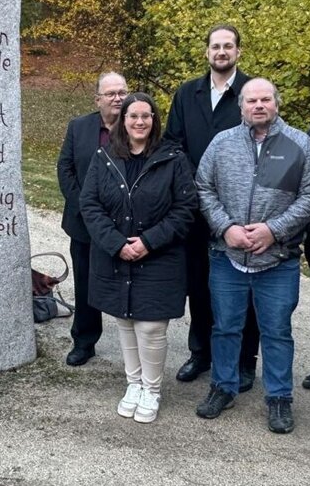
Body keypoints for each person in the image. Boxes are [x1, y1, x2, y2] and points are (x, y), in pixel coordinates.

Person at [193, 78, 310, 433]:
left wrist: (274, 230)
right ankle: (223, 386)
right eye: (252, 100)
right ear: (242, 107)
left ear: (276, 104)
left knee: (277, 331)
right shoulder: (222, 144)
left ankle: (279, 398)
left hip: (278, 260)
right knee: (225, 327)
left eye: (266, 99)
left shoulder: (299, 145)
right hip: (227, 256)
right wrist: (225, 227)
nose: (259, 105)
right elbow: (203, 187)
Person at [80, 93, 197, 423]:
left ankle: (152, 389)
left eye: (146, 116)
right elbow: (90, 205)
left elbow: (185, 209)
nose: (140, 122)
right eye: (133, 116)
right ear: (124, 120)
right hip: (117, 255)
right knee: (125, 321)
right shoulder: (105, 157)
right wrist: (118, 244)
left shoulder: (173, 158)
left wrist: (148, 241)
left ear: (154, 120)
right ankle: (133, 384)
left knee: (151, 327)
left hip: (159, 256)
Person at [164, 24, 261, 390]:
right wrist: (196, 183)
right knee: (199, 285)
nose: (221, 52)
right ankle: (200, 352)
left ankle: (244, 361)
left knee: (243, 285)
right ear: (207, 52)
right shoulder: (188, 93)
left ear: (238, 51)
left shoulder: (251, 93)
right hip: (193, 206)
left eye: (228, 46)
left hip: (238, 207)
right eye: (215, 46)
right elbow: (173, 143)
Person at [57, 72, 128, 366]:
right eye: (110, 93)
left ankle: (134, 350)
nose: (117, 98)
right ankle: (84, 342)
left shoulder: (136, 125)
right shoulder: (79, 127)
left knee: (126, 283)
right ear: (97, 99)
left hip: (123, 224)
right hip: (83, 224)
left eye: (122, 92)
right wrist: (84, 207)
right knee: (85, 283)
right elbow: (66, 167)